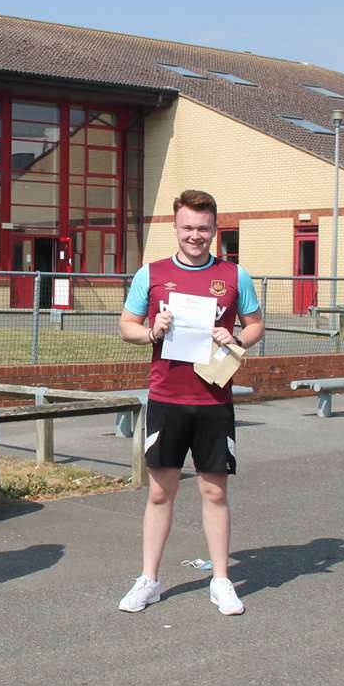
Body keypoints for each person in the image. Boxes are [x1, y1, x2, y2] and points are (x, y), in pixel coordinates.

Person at [116, 189, 263, 616]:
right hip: (167, 397)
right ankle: (149, 580)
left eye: (203, 228)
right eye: (187, 228)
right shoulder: (153, 273)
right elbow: (127, 325)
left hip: (214, 400)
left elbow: (256, 326)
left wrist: (234, 337)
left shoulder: (236, 276)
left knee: (214, 492)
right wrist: (152, 330)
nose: (195, 236)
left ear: (214, 230)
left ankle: (221, 580)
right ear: (175, 228)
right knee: (160, 494)